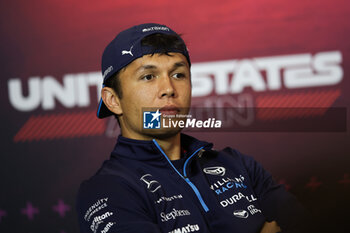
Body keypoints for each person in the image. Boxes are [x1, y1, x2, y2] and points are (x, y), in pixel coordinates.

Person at [76, 23, 306, 233]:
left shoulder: (239, 165)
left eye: (178, 74)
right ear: (113, 100)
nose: (168, 88)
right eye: (148, 77)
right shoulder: (107, 190)